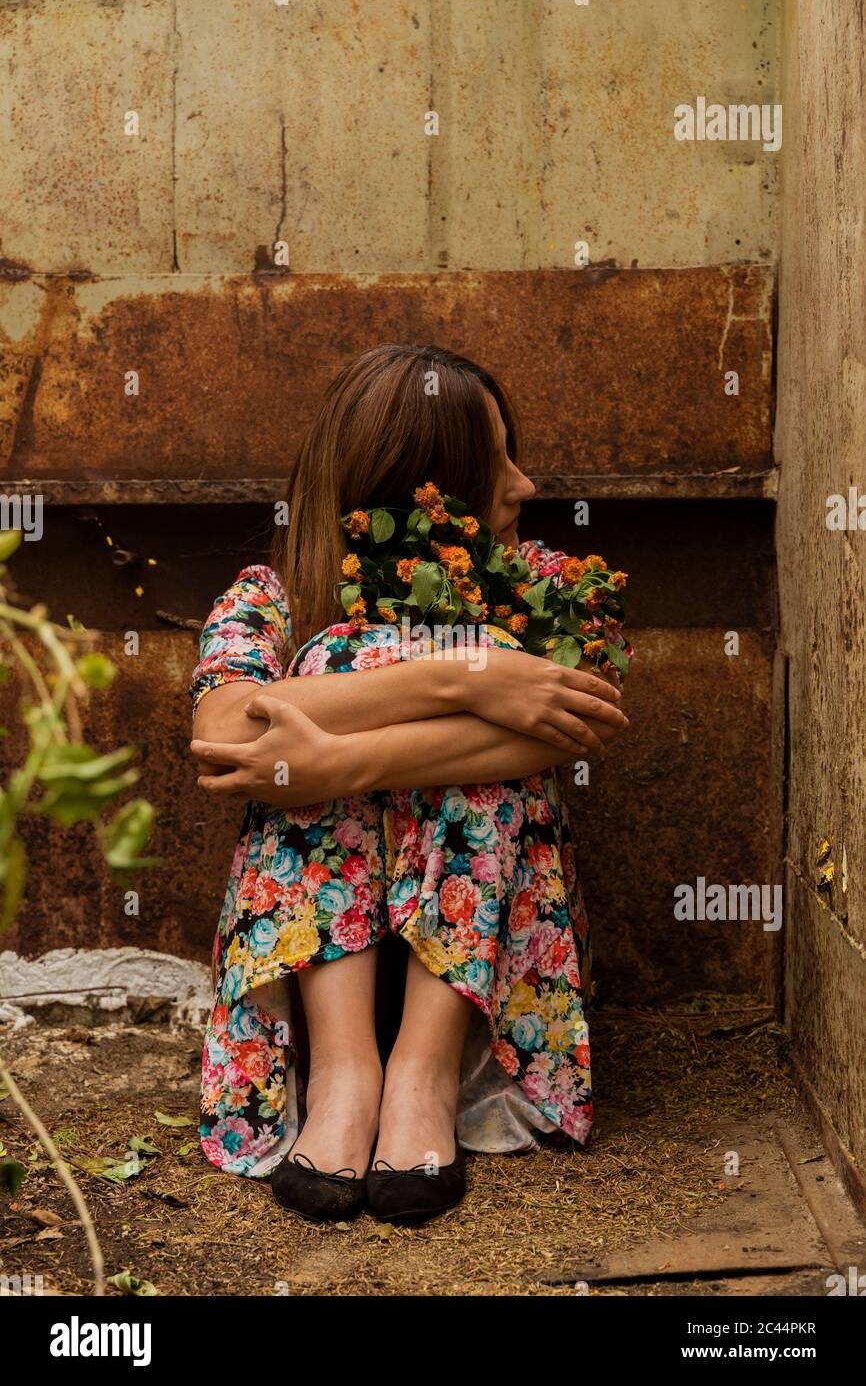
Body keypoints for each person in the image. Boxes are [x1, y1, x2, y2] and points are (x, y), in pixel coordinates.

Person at [189, 343, 629, 1224]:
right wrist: (462, 674)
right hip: (318, 964)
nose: (524, 485)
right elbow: (225, 734)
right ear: (424, 491)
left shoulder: (537, 588)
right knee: (345, 649)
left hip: (482, 968)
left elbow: (568, 729)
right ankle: (347, 1072)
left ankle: (423, 1075)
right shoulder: (273, 597)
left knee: (378, 669)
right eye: (493, 462)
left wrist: (339, 761)